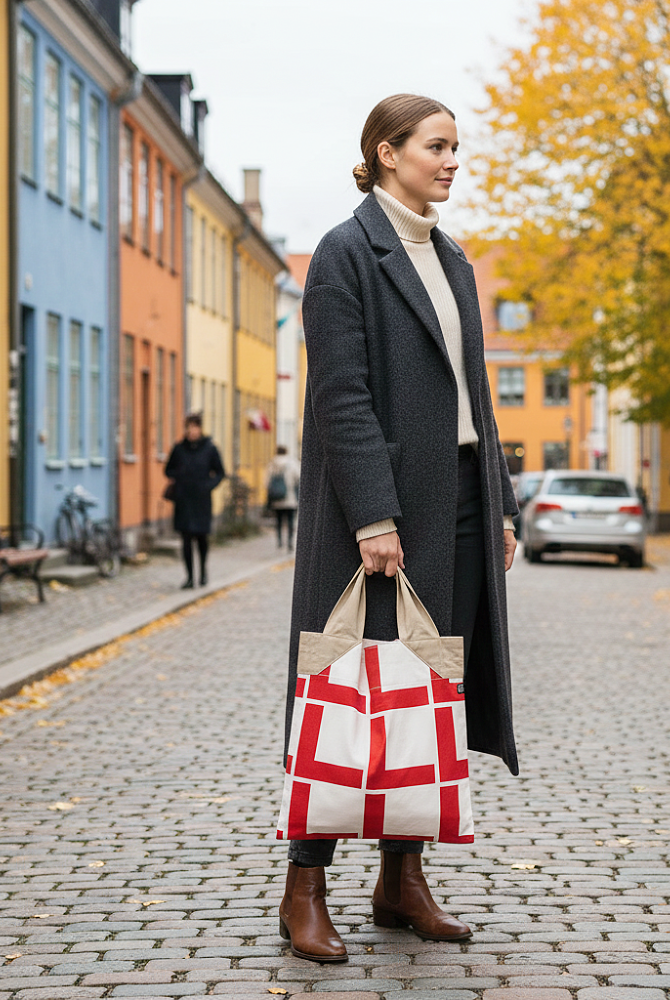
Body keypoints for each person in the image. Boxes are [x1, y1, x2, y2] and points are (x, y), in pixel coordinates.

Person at [280, 94, 520, 964]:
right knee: (345, 688)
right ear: (386, 153)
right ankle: (304, 885)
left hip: (455, 498)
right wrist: (373, 513)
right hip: (375, 511)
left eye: (457, 147)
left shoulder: (451, 258)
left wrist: (499, 503)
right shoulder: (347, 254)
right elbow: (340, 396)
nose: (453, 161)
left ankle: (401, 877)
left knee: (427, 691)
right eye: (437, 146)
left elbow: (476, 401)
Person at [164, 413, 225, 589]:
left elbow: (220, 472)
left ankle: (203, 572)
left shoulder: (210, 448)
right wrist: (179, 476)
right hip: (184, 500)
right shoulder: (179, 448)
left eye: (194, 427)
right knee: (186, 539)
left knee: (201, 538)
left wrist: (208, 485)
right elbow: (168, 469)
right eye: (188, 427)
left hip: (201, 500)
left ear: (200, 428)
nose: (191, 430)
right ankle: (190, 577)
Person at [266, 446, 300, 550]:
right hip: (290, 498)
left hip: (276, 498)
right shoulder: (292, 463)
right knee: (290, 520)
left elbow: (266, 482)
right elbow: (298, 477)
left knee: (278, 520)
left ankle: (280, 541)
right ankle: (290, 542)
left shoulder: (272, 464)